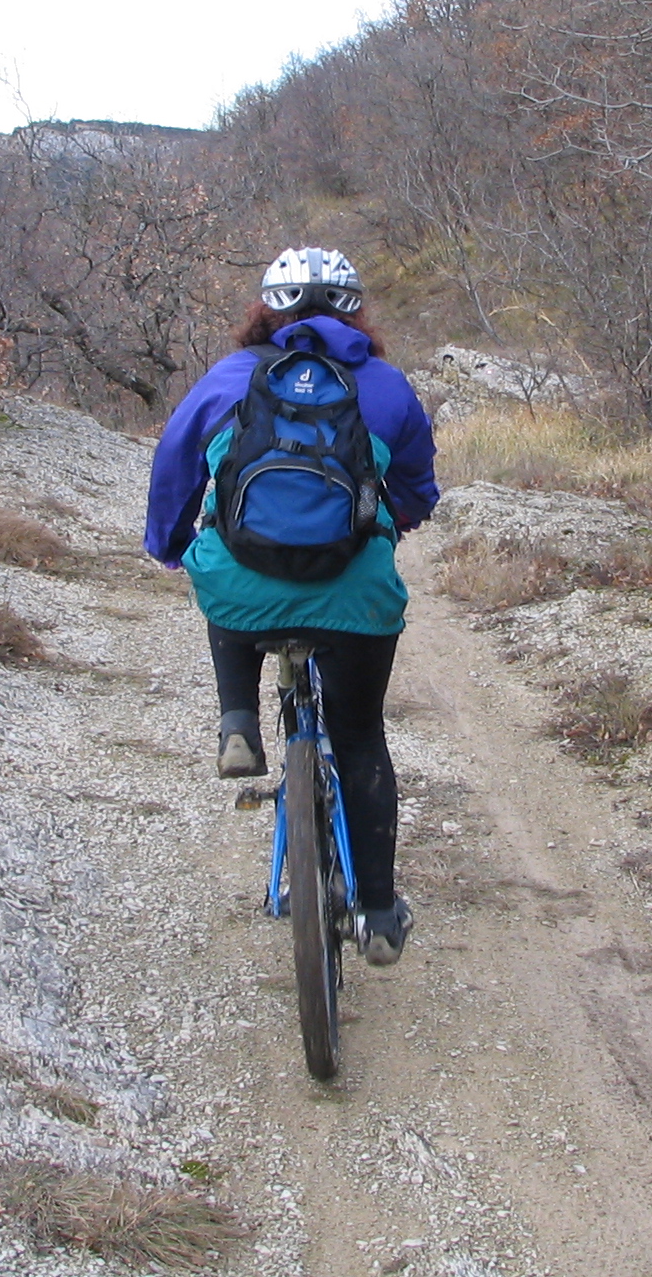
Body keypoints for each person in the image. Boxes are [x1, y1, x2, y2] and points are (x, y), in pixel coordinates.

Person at [144, 248, 439, 966]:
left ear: (264, 311)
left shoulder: (228, 378)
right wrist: (386, 525)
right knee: (360, 737)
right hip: (353, 594)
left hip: (243, 585)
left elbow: (174, 468)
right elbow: (417, 491)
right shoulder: (386, 386)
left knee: (221, 572)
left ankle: (238, 721)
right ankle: (378, 917)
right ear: (357, 313)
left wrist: (172, 546)